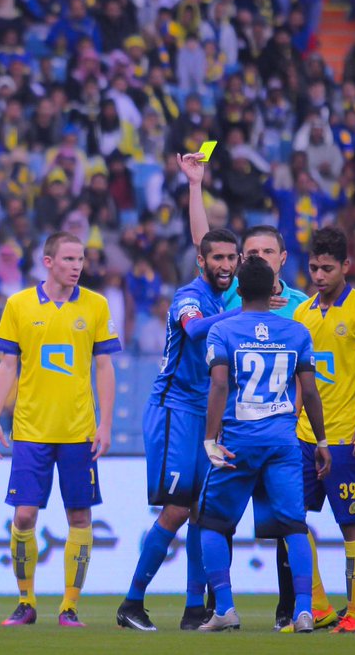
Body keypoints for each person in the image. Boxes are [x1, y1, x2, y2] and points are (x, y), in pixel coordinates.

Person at [117, 154, 240, 633]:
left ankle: (194, 608)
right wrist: (245, 312)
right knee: (177, 508)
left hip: (204, 413)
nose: (226, 265)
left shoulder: (223, 295)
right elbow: (192, 333)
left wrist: (196, 186)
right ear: (202, 263)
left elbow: (203, 236)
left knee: (198, 511)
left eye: (233, 259)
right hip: (172, 411)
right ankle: (132, 602)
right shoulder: (192, 297)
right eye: (219, 259)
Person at [0, 231, 121, 628]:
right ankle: (25, 601)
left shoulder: (96, 306)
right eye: (68, 259)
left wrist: (106, 423)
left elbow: (104, 366)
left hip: (79, 431)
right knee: (25, 516)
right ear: (48, 262)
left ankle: (69, 606)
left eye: (80, 259)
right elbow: (8, 365)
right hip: (30, 431)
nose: (77, 266)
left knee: (79, 515)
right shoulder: (19, 304)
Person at [197, 256, 330, 633]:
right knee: (294, 526)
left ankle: (224, 608)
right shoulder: (297, 332)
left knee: (212, 522)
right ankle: (303, 610)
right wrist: (321, 440)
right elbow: (310, 391)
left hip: (238, 443)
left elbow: (220, 385)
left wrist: (210, 438)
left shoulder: (223, 331)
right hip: (283, 443)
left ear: (238, 290)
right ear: (275, 289)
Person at [291, 227, 355, 633]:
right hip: (303, 436)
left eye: (327, 268)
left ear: (346, 267)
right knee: (290, 518)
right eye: (314, 267)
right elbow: (300, 378)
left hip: (347, 436)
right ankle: (318, 605)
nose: (319, 275)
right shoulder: (302, 314)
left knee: (352, 524)